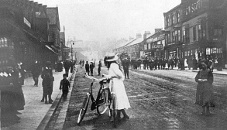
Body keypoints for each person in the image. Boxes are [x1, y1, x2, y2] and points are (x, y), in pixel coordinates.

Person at [104, 53, 130, 121]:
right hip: (115, 83)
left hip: (116, 84)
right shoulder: (113, 65)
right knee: (118, 99)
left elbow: (120, 75)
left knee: (116, 99)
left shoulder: (113, 65)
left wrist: (110, 76)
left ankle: (117, 115)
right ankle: (122, 115)